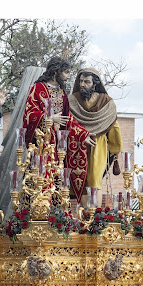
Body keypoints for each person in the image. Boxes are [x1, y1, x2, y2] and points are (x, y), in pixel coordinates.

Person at [22, 57, 90, 201]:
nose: (68, 76)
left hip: (57, 148)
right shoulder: (38, 88)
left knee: (57, 185)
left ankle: (55, 217)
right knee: (39, 182)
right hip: (41, 145)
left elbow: (68, 118)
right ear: (55, 72)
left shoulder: (62, 93)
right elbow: (30, 113)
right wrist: (49, 118)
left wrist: (83, 134)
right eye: (65, 72)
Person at [68, 68, 123, 207]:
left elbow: (112, 124)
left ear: (95, 84)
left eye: (86, 82)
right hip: (77, 144)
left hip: (98, 144)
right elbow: (68, 121)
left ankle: (92, 218)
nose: (82, 84)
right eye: (81, 81)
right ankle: (82, 219)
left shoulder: (106, 101)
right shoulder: (72, 100)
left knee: (94, 180)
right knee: (80, 180)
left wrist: (116, 149)